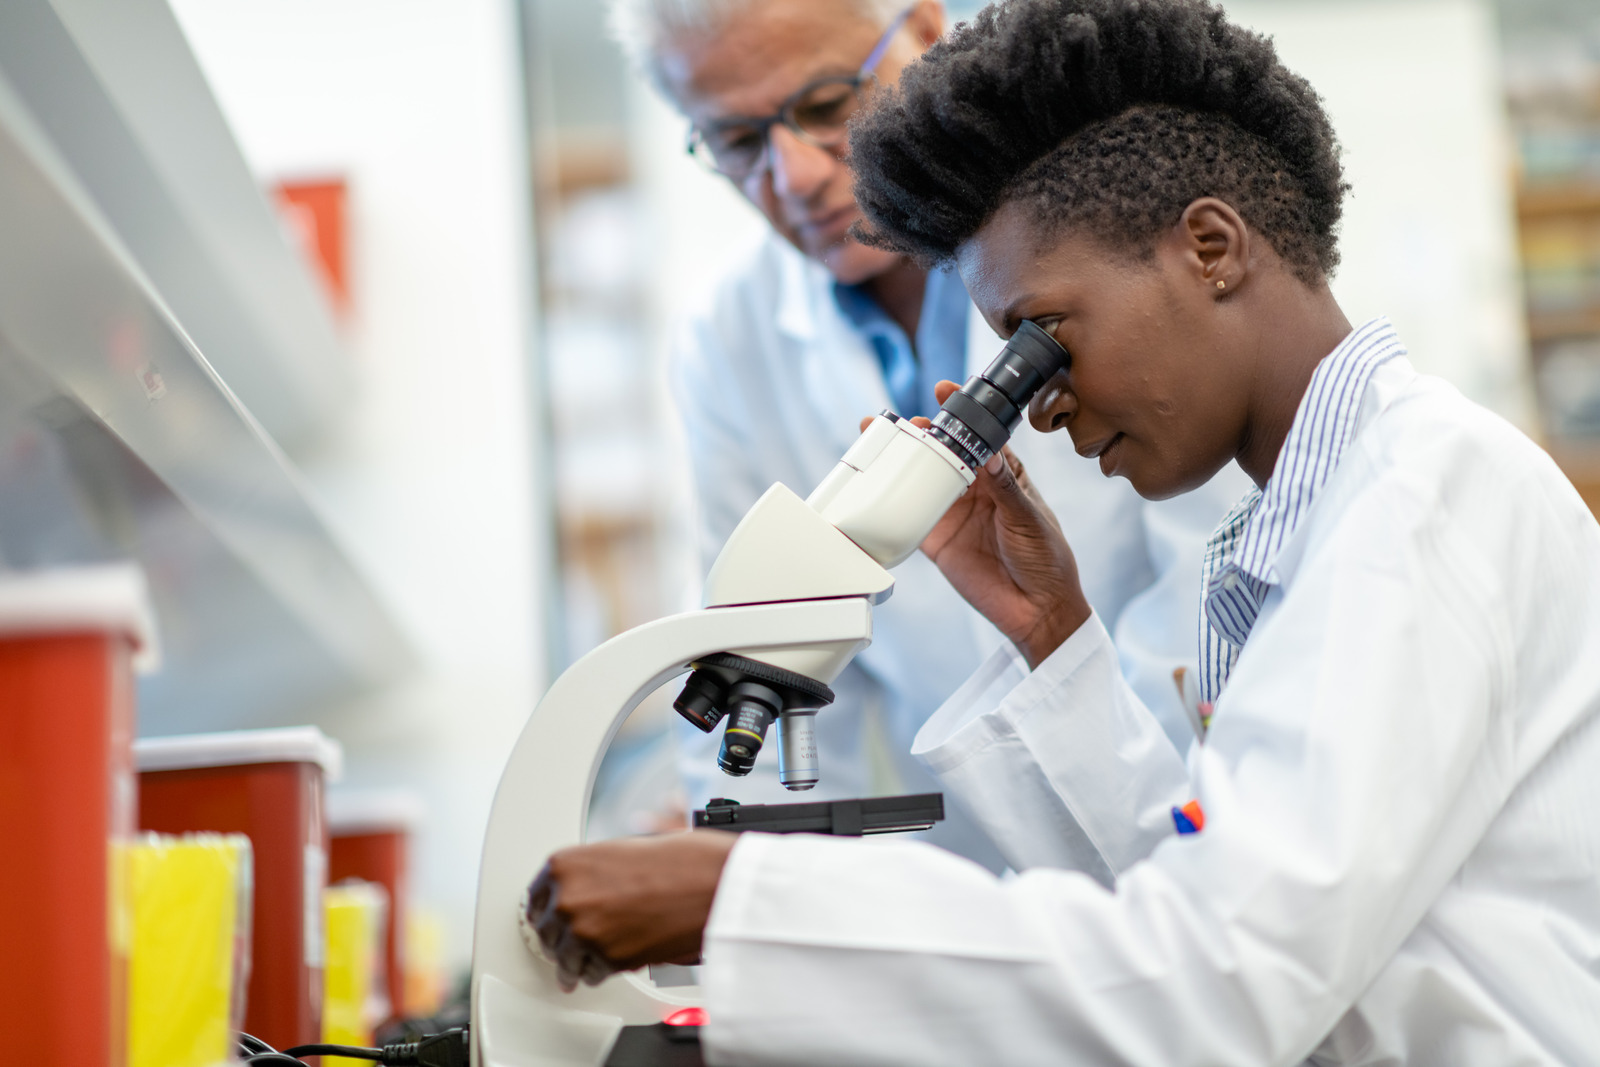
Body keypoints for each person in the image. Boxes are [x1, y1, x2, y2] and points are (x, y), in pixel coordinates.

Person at [529, 0, 1600, 1062]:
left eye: (1040, 340)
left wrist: (747, 900)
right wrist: (1056, 641)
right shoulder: (1326, 507)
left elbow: (1212, 977)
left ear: (1210, 246)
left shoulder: (1423, 495)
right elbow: (1197, 886)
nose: (1036, 405)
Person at [611, 0, 1246, 866]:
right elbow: (759, 641)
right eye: (737, 142)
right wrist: (749, 883)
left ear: (924, 28)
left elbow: (1212, 582)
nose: (791, 175)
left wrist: (1145, 825)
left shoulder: (1100, 238)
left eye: (828, 104)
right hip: (975, 879)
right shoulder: (730, 339)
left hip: (1200, 816)